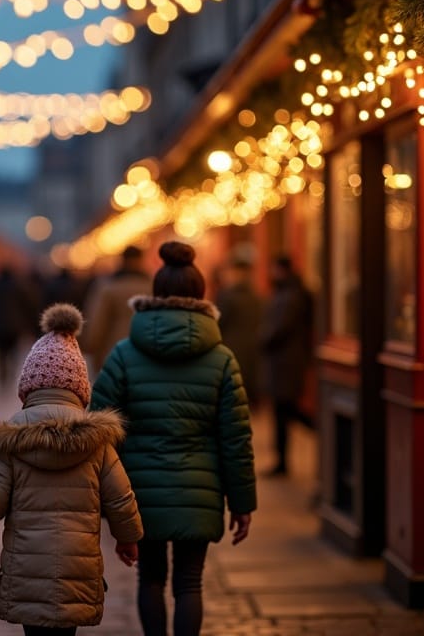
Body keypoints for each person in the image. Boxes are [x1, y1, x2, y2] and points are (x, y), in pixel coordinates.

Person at [90, 241, 256, 636]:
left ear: (154, 294)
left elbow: (100, 430)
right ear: (201, 294)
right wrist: (243, 502)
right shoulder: (221, 358)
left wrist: (105, 503)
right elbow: (236, 437)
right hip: (199, 490)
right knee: (189, 583)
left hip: (139, 491)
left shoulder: (123, 356)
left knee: (150, 579)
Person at [0, 303, 144, 636]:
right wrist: (128, 539)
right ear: (80, 390)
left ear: (28, 388)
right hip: (78, 572)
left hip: (26, 574)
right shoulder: (98, 442)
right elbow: (121, 500)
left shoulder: (11, 442)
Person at [260, 253, 316, 476]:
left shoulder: (290, 296)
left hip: (286, 362)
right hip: (286, 361)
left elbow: (280, 328)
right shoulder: (290, 293)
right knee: (285, 410)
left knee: (285, 410)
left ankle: (283, 461)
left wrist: (264, 338)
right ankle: (281, 460)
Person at [82, 245, 152, 373]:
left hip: (114, 354)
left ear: (122, 260)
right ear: (141, 260)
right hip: (145, 354)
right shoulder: (151, 288)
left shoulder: (108, 288)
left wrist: (90, 347)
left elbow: (97, 325)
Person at [215, 250, 264, 407]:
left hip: (230, 348)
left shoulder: (226, 296)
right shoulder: (256, 297)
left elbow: (218, 323)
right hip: (252, 349)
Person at [0, 265, 35, 390]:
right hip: (15, 327)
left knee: (1, 354)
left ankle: (2, 376)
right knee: (13, 352)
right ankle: (11, 375)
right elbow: (27, 305)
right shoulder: (19, 286)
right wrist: (28, 325)